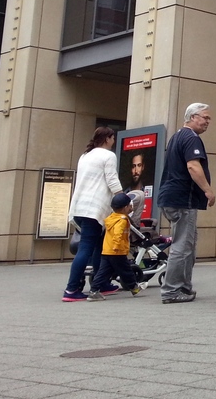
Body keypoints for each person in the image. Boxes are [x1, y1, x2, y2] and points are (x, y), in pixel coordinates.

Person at [156, 103, 216, 304]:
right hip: (183, 199)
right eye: (205, 117)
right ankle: (172, 291)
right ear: (191, 117)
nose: (208, 121)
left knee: (187, 243)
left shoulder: (177, 136)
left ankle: (182, 287)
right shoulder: (191, 138)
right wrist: (207, 190)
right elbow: (193, 165)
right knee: (182, 245)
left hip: (171, 198)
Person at [63, 127, 123, 301]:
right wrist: (124, 200)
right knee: (87, 248)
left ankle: (101, 283)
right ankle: (71, 289)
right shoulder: (108, 156)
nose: (113, 142)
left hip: (79, 207)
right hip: (94, 209)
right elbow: (112, 179)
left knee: (98, 246)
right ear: (107, 139)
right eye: (112, 138)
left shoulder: (85, 156)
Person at [87, 192, 142, 300]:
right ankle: (134, 288)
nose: (131, 207)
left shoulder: (111, 217)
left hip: (107, 251)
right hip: (117, 251)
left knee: (103, 272)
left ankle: (93, 291)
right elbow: (118, 234)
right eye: (130, 205)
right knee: (126, 271)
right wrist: (117, 246)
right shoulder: (122, 220)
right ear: (125, 207)